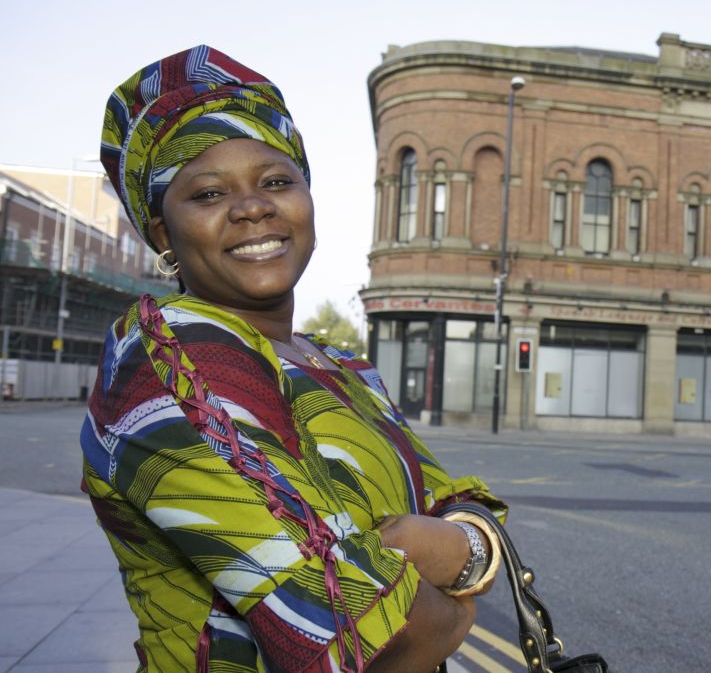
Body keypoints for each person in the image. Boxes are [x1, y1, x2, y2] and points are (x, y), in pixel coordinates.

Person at [81, 45, 504, 673]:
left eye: (277, 180)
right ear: (164, 232)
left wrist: (444, 545)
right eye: (208, 193)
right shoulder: (169, 358)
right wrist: (459, 591)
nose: (253, 207)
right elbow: (368, 635)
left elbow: (462, 509)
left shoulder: (342, 366)